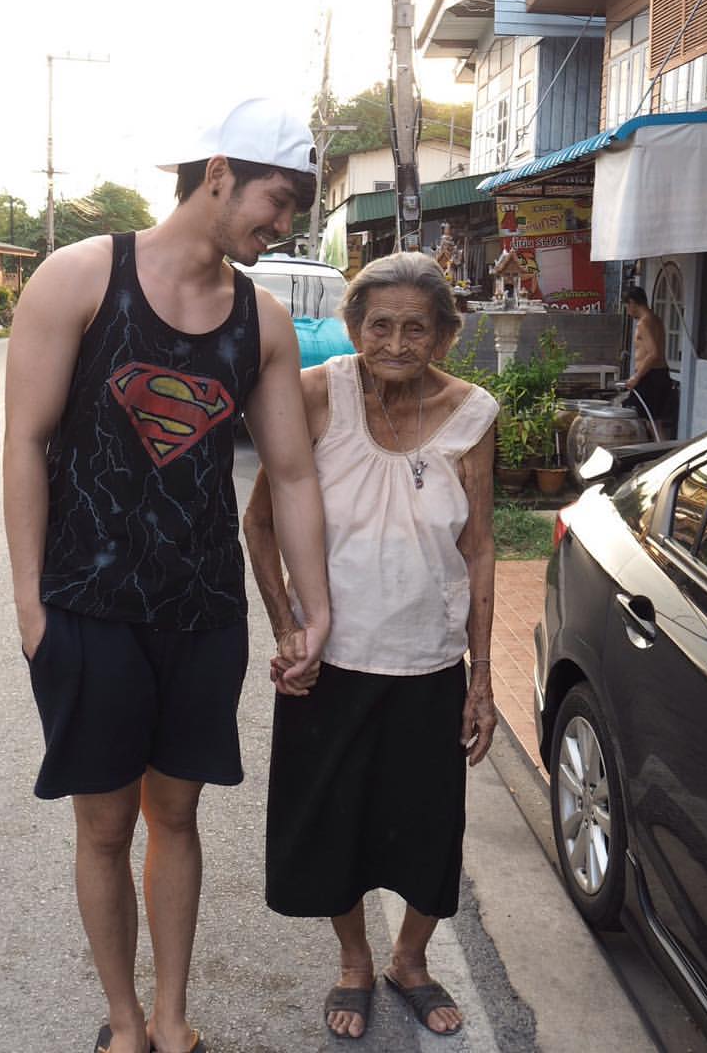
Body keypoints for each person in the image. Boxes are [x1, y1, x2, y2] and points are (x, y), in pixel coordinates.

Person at [2, 98, 331, 1053]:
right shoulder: (80, 278)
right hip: (87, 608)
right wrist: (31, 607)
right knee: (106, 826)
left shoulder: (262, 320)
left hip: (202, 611)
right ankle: (125, 1023)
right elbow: (25, 442)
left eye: (297, 208)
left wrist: (312, 610)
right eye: (278, 200)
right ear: (219, 173)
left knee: (177, 817)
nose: (285, 224)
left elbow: (293, 473)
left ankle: (175, 1020)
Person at [243, 251, 499, 1042]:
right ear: (353, 327)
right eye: (379, 325)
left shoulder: (472, 413)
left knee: (429, 824)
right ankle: (355, 961)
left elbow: (480, 547)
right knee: (335, 824)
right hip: (332, 663)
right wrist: (287, 626)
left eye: (416, 328)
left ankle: (409, 961)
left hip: (429, 663)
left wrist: (482, 677)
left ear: (445, 336)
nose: (395, 342)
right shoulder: (315, 394)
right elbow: (259, 522)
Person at [622, 285, 671, 436]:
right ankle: (660, 448)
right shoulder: (656, 319)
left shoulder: (643, 323)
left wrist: (636, 377)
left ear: (632, 302)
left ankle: (657, 450)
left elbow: (653, 353)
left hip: (650, 376)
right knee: (654, 422)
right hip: (660, 374)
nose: (628, 312)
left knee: (648, 421)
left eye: (626, 307)